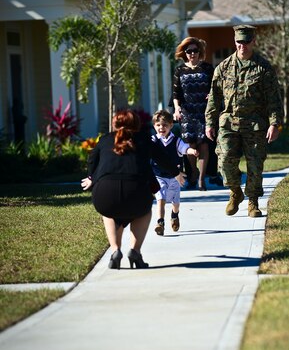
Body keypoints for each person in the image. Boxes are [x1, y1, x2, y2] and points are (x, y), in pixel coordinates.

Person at [81, 109, 185, 269]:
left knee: (109, 213)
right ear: (137, 125)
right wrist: (176, 173)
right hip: (136, 191)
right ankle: (135, 251)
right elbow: (162, 158)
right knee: (143, 212)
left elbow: (92, 160)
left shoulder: (105, 139)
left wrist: (91, 177)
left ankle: (115, 250)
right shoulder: (144, 140)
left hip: (105, 194)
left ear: (115, 124)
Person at [205, 24, 284, 217]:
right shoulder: (223, 68)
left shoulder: (263, 68)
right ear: (235, 42)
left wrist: (275, 123)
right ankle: (235, 192)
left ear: (253, 42)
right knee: (224, 162)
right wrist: (209, 122)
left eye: (246, 42)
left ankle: (253, 202)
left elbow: (274, 99)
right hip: (228, 123)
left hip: (255, 124)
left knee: (255, 165)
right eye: (239, 42)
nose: (242, 46)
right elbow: (214, 97)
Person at [172, 36, 215, 190]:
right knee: (190, 145)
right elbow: (176, 94)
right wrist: (176, 109)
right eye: (189, 51)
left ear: (199, 51)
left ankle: (202, 180)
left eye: (195, 50)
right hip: (187, 112)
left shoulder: (208, 68)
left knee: (204, 144)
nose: (192, 54)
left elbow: (216, 87)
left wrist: (213, 94)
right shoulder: (180, 70)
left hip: (204, 111)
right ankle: (194, 171)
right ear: (185, 53)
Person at [151, 109, 198, 236]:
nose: (161, 128)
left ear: (171, 125)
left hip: (175, 177)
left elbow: (184, 148)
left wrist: (191, 151)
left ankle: (174, 214)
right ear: (154, 126)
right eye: (158, 125)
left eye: (165, 125)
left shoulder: (176, 141)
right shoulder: (153, 141)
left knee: (175, 203)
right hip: (158, 176)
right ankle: (160, 223)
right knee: (160, 198)